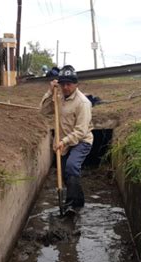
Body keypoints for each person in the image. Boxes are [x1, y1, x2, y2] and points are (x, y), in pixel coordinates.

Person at [40, 65, 93, 209]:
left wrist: (63, 141)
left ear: (76, 84)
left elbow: (81, 131)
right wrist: (50, 92)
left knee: (71, 166)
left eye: (69, 84)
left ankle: (71, 205)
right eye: (63, 84)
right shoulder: (58, 97)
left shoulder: (83, 103)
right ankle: (78, 202)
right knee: (64, 174)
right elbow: (44, 111)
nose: (65, 87)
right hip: (63, 142)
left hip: (81, 141)